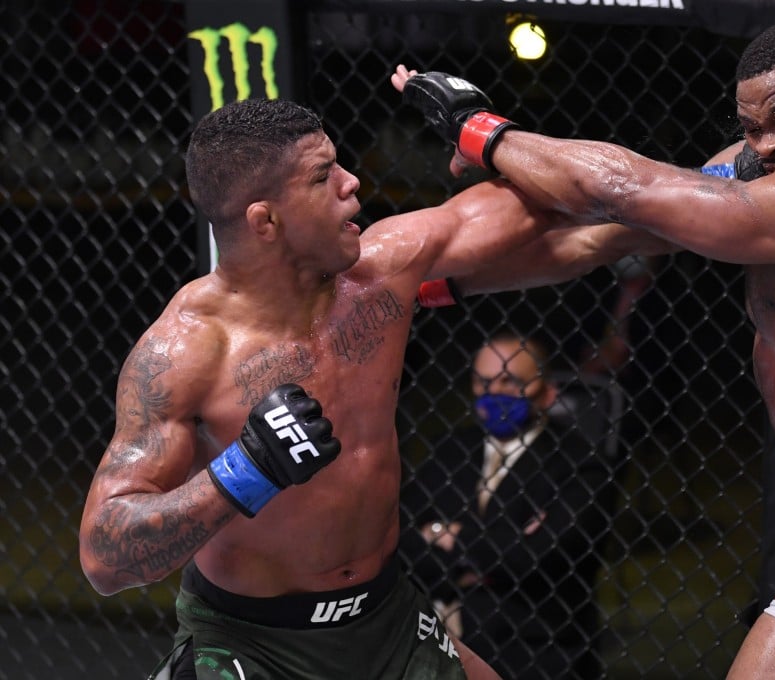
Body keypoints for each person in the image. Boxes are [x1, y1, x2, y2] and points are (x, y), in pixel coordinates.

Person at [394, 14, 775, 680]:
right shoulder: (768, 173)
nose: (769, 145)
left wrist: (479, 129)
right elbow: (593, 234)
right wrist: (432, 284)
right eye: (751, 127)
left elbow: (623, 187)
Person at [76, 97, 658, 680]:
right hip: (253, 642)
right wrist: (246, 470)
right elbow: (105, 558)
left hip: (388, 617)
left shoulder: (380, 275)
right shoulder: (185, 354)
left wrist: (484, 134)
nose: (352, 182)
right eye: (322, 176)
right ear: (265, 221)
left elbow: (573, 206)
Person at [400, 330, 616, 679]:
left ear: (547, 392)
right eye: (483, 382)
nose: (494, 393)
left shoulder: (580, 464)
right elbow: (402, 539)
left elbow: (539, 559)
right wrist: (494, 550)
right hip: (438, 641)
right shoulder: (451, 449)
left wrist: (447, 534)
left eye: (510, 381)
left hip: (535, 649)